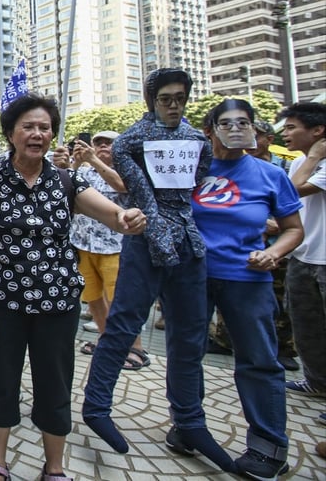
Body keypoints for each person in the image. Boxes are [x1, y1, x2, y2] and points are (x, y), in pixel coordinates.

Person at [0, 94, 147, 481]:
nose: (37, 134)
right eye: (28, 126)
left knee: (55, 384)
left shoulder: (66, 180)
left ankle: (55, 467)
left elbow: (112, 214)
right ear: (11, 133)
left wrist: (125, 217)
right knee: (1, 382)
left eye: (44, 127)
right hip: (2, 302)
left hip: (57, 303)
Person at [81, 68, 235, 473]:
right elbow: (141, 193)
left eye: (180, 98)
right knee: (123, 325)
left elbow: (195, 182)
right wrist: (158, 231)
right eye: (166, 98)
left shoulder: (197, 139)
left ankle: (190, 421)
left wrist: (178, 230)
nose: (173, 106)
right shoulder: (132, 139)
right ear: (152, 98)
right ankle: (97, 406)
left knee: (189, 337)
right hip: (146, 239)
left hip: (188, 243)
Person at [191, 98, 304, 480]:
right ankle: (187, 425)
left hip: (249, 279)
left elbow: (292, 229)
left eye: (244, 122)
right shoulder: (189, 170)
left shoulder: (271, 175)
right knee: (186, 355)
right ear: (210, 131)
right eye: (227, 122)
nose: (237, 129)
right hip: (193, 279)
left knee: (258, 361)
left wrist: (272, 254)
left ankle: (268, 447)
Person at [55, 132, 150, 370]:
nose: (103, 146)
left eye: (109, 143)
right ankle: (107, 340)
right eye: (98, 143)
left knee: (121, 300)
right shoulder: (85, 173)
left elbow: (122, 186)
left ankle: (135, 348)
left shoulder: (127, 170)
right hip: (84, 246)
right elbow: (68, 186)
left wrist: (93, 159)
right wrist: (74, 162)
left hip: (115, 247)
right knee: (93, 298)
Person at [277, 102, 326, 400]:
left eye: (292, 127)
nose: (285, 133)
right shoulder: (299, 163)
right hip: (302, 255)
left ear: (318, 130)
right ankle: (317, 381)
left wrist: (315, 157)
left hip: (325, 259)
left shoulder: (310, 165)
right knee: (305, 324)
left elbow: (290, 191)